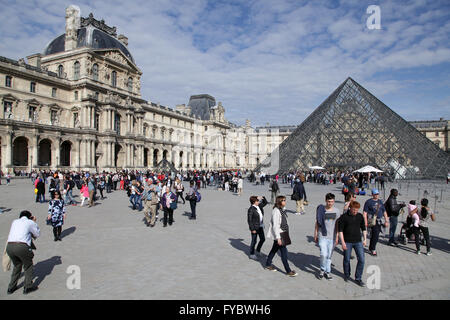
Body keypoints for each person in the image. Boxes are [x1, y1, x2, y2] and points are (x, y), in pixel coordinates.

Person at [6, 210, 40, 294]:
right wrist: (34, 222)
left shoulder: (15, 221)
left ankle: (11, 287)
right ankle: (28, 286)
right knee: (28, 266)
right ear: (30, 217)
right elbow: (37, 234)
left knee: (17, 266)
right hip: (22, 246)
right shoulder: (30, 222)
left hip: (10, 246)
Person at [265, 196, 297, 277]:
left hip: (283, 233)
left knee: (274, 249)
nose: (285, 202)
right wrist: (278, 237)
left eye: (285, 200)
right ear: (279, 202)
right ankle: (288, 271)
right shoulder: (276, 211)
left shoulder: (281, 210)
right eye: (283, 201)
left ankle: (268, 264)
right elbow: (275, 225)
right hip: (280, 234)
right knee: (284, 253)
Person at [338, 201, 367, 287]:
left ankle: (358, 278)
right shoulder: (343, 217)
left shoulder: (359, 216)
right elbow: (340, 231)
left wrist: (365, 239)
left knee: (362, 259)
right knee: (347, 259)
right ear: (350, 208)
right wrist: (342, 242)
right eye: (354, 210)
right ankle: (347, 274)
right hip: (347, 242)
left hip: (358, 241)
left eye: (357, 210)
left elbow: (363, 228)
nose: (355, 211)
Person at [314, 193, 340, 280]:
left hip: (332, 236)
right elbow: (317, 222)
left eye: (332, 201)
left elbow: (337, 224)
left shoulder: (336, 211)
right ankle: (322, 269)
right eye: (329, 201)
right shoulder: (321, 210)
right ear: (326, 201)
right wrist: (315, 233)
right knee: (323, 254)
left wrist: (337, 237)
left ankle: (327, 272)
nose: (330, 203)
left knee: (329, 255)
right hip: (323, 235)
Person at [363, 189, 389, 256]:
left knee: (375, 235)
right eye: (375, 194)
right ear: (372, 194)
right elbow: (365, 212)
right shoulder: (368, 202)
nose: (377, 195)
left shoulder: (380, 201)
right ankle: (373, 249)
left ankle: (371, 247)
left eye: (377, 194)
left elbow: (384, 211)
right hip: (372, 220)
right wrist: (365, 221)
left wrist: (386, 220)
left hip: (379, 220)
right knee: (376, 234)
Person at [247, 196, 268, 260]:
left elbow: (265, 202)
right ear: (254, 202)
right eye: (257, 201)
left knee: (263, 239)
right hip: (255, 227)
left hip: (260, 226)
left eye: (258, 201)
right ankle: (252, 254)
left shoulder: (259, 206)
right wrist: (252, 229)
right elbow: (249, 220)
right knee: (254, 241)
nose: (258, 202)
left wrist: (263, 197)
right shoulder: (251, 209)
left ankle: (258, 250)